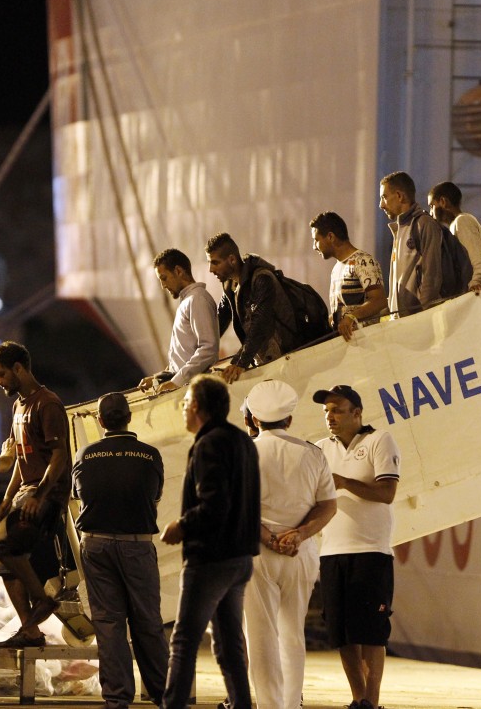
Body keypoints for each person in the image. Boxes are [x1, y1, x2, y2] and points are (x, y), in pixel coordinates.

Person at [160, 374, 260, 709]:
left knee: (184, 640)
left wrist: (181, 525)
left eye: (186, 403)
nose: (183, 410)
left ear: (198, 407)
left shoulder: (209, 444)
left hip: (211, 558)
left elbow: (215, 503)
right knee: (229, 644)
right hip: (240, 559)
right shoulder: (242, 441)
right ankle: (241, 704)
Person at [241, 380, 337, 709]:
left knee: (261, 634)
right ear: (290, 419)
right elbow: (328, 506)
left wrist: (268, 537)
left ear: (253, 419)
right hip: (301, 552)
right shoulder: (313, 453)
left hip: (257, 552)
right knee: (293, 632)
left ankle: (269, 704)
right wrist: (298, 534)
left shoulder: (244, 453)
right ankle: (292, 703)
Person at [72, 392, 169, 707]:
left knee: (109, 623)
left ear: (100, 421)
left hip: (96, 545)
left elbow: (78, 496)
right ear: (129, 417)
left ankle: (117, 698)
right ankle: (162, 693)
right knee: (147, 621)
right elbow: (154, 497)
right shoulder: (149, 455)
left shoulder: (85, 455)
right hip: (137, 546)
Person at [312, 385, 401, 709]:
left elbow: (387, 492)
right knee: (342, 632)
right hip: (332, 551)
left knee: (373, 631)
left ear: (357, 413)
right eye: (326, 411)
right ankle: (358, 698)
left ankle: (372, 702)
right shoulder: (320, 448)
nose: (330, 416)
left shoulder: (379, 441)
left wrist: (345, 482)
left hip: (371, 551)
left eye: (337, 409)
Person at [0, 340, 68, 648]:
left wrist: (41, 495)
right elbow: (22, 457)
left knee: (3, 547)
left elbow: (59, 455)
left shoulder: (47, 403)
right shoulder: (18, 405)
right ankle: (31, 632)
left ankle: (42, 600)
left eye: (1, 374)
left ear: (19, 369)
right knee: (2, 564)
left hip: (45, 495)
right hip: (24, 493)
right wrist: (8, 496)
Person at [205, 232, 297, 384]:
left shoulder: (262, 279)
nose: (210, 269)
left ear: (232, 260)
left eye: (215, 262)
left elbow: (260, 324)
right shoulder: (230, 285)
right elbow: (218, 323)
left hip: (287, 359)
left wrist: (240, 362)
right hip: (265, 362)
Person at [139, 248, 220, 395]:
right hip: (188, 387)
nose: (163, 285)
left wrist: (176, 382)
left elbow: (208, 349)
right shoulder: (188, 300)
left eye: (164, 278)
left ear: (178, 271)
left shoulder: (197, 299)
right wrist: (157, 378)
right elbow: (183, 356)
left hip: (197, 391)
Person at [309, 211, 388, 341]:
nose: (314, 247)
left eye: (316, 240)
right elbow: (343, 310)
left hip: (367, 345)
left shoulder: (364, 261)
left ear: (330, 237)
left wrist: (351, 317)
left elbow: (379, 300)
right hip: (349, 348)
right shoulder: (336, 268)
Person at [379, 171, 445, 317]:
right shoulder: (400, 228)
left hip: (417, 322)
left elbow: (432, 275)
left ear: (399, 196)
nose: (381, 205)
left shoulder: (424, 224)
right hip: (401, 322)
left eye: (384, 197)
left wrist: (423, 315)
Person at [427, 182, 481, 293]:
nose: (431, 213)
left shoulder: (462, 221)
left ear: (443, 202)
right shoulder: (455, 225)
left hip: (477, 294)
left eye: (432, 206)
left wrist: (476, 282)